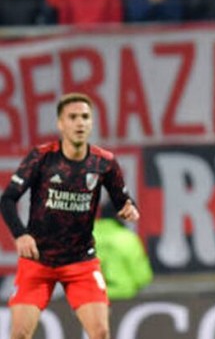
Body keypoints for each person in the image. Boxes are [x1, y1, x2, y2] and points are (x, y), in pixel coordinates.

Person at [0, 93, 140, 339]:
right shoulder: (41, 158)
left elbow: (122, 200)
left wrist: (129, 207)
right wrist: (21, 235)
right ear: (60, 123)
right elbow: (7, 199)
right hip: (38, 261)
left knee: (101, 333)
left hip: (80, 262)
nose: (80, 123)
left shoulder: (104, 163)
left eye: (85, 117)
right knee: (20, 334)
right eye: (73, 117)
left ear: (92, 122)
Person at [93, 202, 153, 300]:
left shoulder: (84, 235)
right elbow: (142, 277)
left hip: (87, 298)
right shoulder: (127, 238)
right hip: (122, 299)